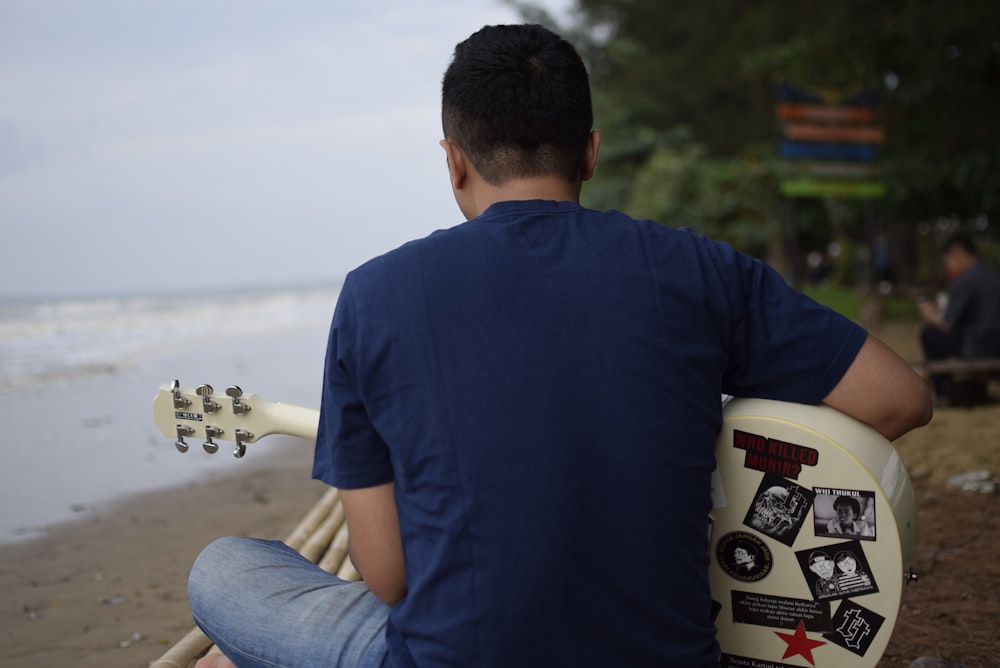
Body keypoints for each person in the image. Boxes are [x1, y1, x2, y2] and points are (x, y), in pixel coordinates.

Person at [187, 24, 931, 668]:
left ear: (453, 160)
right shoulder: (699, 270)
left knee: (225, 570)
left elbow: (390, 581)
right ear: (591, 152)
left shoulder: (375, 295)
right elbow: (900, 400)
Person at [919, 232, 1000, 403]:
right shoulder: (993, 275)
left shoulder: (965, 280)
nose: (948, 265)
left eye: (948, 259)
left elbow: (948, 325)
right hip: (995, 342)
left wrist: (930, 315)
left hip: (979, 346)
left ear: (958, 254)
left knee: (929, 334)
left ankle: (941, 393)